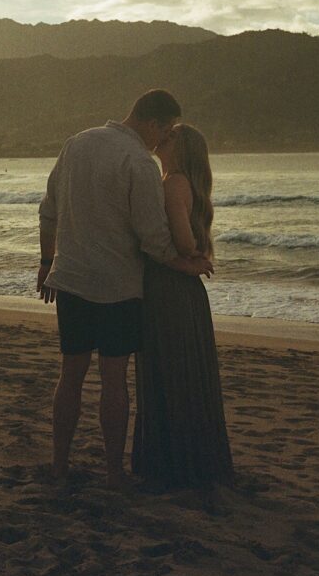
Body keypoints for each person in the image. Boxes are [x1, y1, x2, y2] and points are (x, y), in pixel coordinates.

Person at [37, 90, 213, 490]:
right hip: (117, 286)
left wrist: (47, 262)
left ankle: (59, 465)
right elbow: (152, 237)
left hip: (72, 279)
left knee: (71, 374)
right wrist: (183, 262)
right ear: (153, 123)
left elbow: (49, 209)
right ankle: (114, 472)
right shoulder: (139, 162)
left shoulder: (77, 143)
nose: (163, 139)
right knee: (113, 379)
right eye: (164, 131)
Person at [132, 123, 234, 491]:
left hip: (168, 287)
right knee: (184, 372)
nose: (162, 137)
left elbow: (182, 238)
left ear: (183, 149)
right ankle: (189, 458)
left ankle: (170, 463)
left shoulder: (173, 183)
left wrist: (189, 255)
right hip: (182, 288)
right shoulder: (180, 182)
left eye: (171, 136)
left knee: (169, 370)